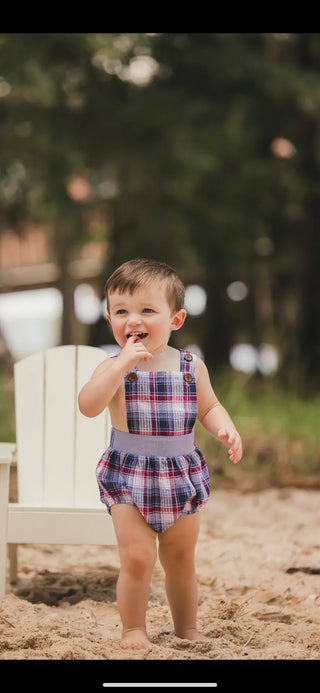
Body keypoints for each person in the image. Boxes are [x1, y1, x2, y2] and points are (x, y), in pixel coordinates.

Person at [78, 258, 242, 650]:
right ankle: (133, 629)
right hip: (129, 474)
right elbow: (88, 404)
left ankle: (186, 628)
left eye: (147, 310)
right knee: (136, 558)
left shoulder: (190, 366)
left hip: (181, 472)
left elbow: (208, 407)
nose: (133, 320)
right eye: (121, 311)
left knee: (180, 558)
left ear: (176, 319)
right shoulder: (112, 366)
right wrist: (121, 366)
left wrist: (224, 426)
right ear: (109, 318)